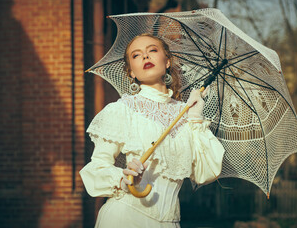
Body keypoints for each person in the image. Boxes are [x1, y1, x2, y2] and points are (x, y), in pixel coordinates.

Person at [80, 33, 225, 227]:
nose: (145, 57)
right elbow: (97, 168)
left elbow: (204, 173)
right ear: (131, 72)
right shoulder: (123, 110)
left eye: (152, 50)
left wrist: (196, 117)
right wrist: (125, 179)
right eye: (136, 55)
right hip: (124, 218)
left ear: (167, 61)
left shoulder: (187, 114)